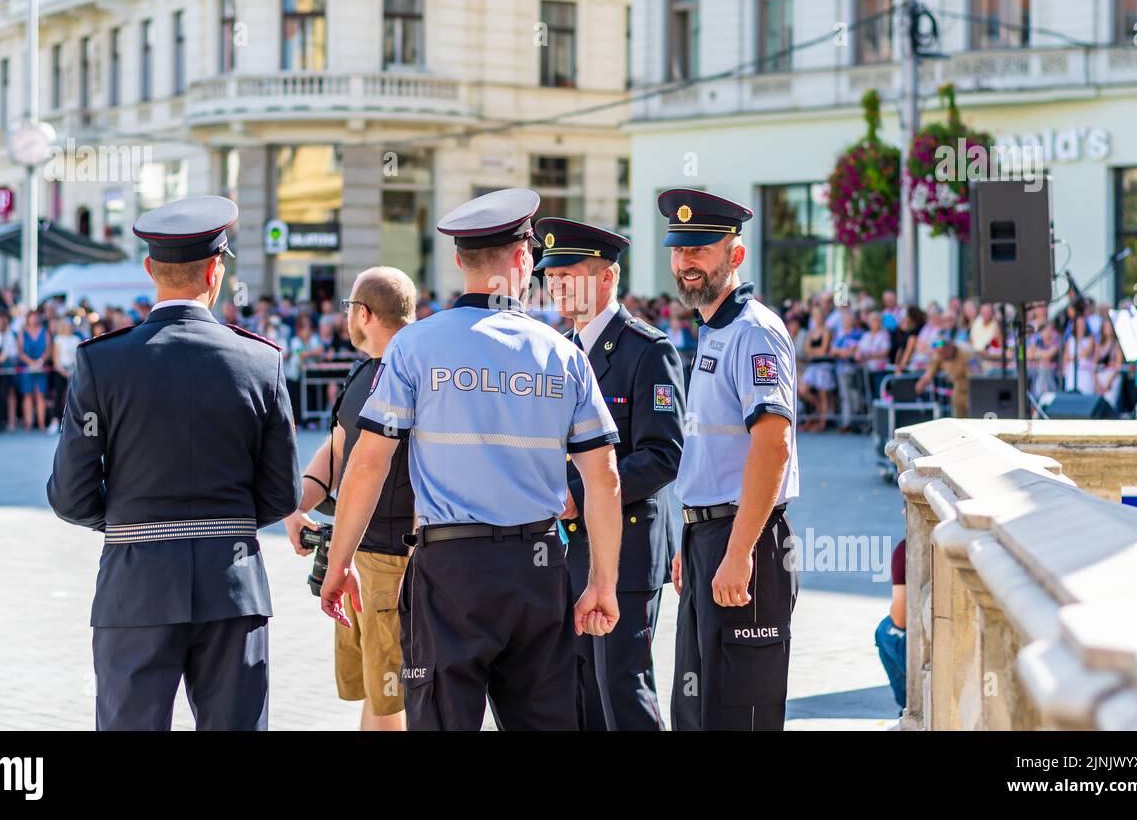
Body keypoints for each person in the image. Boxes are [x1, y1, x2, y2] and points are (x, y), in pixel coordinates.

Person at [318, 189, 623, 731]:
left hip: (451, 571)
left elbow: (368, 464)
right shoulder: (563, 354)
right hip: (538, 565)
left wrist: (339, 563)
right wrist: (602, 581)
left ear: (459, 260)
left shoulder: (416, 346)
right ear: (525, 259)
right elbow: (604, 478)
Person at [47, 195, 300, 731]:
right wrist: (221, 524)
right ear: (216, 269)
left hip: (135, 584)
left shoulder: (102, 361)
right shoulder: (260, 361)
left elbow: (70, 494)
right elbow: (282, 494)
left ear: (149, 269)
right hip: (232, 584)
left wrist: (126, 519)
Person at [658, 189, 800, 731]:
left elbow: (772, 445)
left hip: (748, 540)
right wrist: (690, 535)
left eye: (700, 249)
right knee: (697, 711)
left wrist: (738, 550)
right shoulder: (714, 329)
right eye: (679, 249)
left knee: (740, 712)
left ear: (734, 256)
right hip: (709, 539)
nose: (686, 262)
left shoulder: (753, 332)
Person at [536, 217, 685, 731]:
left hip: (627, 547)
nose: (555, 285)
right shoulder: (556, 349)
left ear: (606, 278)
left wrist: (578, 492)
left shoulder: (647, 350)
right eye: (549, 276)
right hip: (566, 548)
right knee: (579, 692)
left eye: (567, 273)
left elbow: (663, 455)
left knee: (622, 686)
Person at [286, 267, 418, 731]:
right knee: (377, 692)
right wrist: (296, 503)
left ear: (363, 313)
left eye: (349, 307)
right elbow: (339, 450)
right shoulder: (364, 368)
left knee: (393, 696)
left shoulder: (418, 369)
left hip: (393, 560)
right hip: (359, 556)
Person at [874, 539, 907, 712]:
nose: (904, 512)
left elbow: (900, 619)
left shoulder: (906, 549)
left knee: (885, 629)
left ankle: (909, 707)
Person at [798, 307, 834, 431]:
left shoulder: (827, 331)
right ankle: (819, 408)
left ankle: (822, 423)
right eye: (815, 316)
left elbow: (823, 350)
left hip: (824, 365)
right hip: (813, 365)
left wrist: (813, 352)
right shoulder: (811, 332)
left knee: (822, 393)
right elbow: (807, 350)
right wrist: (815, 352)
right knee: (803, 390)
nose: (817, 318)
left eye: (819, 315)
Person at [17, 311, 51, 432]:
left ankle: (41, 424)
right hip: (26, 366)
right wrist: (30, 362)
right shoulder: (23, 332)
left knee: (40, 394)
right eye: (32, 317)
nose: (34, 319)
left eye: (36, 317)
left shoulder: (44, 331)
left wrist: (41, 361)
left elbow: (48, 349)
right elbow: (20, 352)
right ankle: (28, 423)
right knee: (27, 394)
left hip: (41, 366)